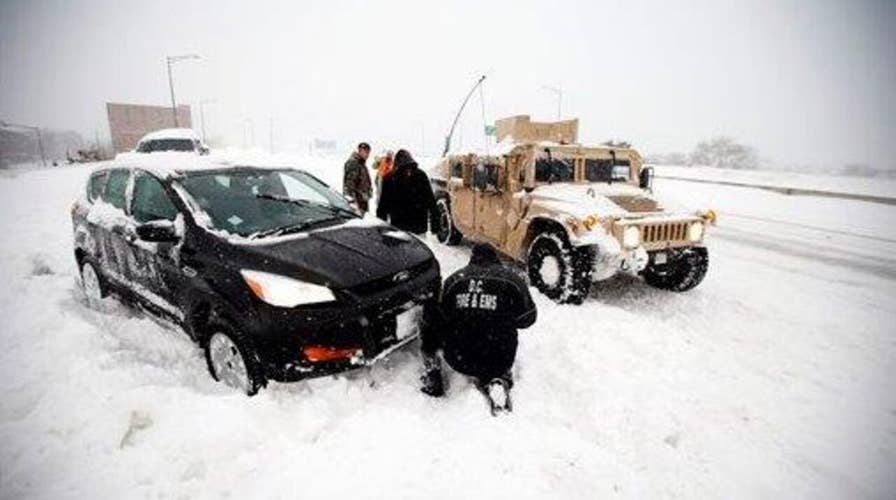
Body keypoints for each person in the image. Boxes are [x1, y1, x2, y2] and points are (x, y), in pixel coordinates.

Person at [420, 243, 538, 412]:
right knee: (500, 331)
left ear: (472, 259)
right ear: (495, 260)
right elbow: (528, 319)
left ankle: (433, 376)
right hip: (501, 358)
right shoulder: (513, 280)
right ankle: (498, 376)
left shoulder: (454, 280)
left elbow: (442, 319)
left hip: (459, 358)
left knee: (429, 318)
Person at [376, 149, 440, 235]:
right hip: (405, 227)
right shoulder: (390, 178)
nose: (408, 172)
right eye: (405, 169)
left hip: (409, 226)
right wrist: (381, 227)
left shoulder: (420, 176)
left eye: (409, 169)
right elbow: (383, 205)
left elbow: (430, 199)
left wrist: (435, 223)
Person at [343, 142, 373, 213]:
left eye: (368, 152)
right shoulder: (354, 163)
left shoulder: (362, 164)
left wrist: (368, 191)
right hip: (357, 203)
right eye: (365, 152)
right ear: (359, 151)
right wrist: (352, 203)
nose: (367, 154)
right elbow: (349, 185)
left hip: (362, 201)